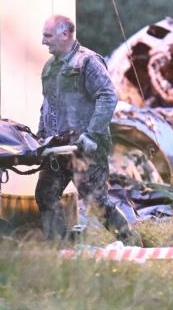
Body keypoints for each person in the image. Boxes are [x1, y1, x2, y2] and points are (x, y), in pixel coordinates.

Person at [36, 14, 142, 246]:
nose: (44, 41)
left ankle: (132, 243)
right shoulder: (49, 68)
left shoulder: (87, 62)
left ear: (65, 34)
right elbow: (46, 105)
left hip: (85, 148)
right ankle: (60, 247)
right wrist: (41, 138)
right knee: (45, 195)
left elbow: (107, 96)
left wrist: (93, 134)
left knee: (95, 202)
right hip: (58, 149)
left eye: (48, 36)